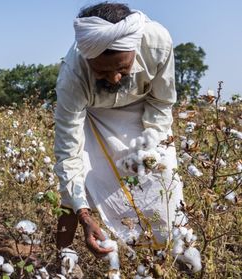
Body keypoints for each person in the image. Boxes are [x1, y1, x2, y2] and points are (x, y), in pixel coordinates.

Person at [54, 3, 185, 257]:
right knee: (72, 189)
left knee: (165, 175)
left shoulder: (158, 43)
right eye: (102, 70)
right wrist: (84, 214)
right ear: (88, 58)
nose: (114, 78)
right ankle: (64, 256)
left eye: (123, 68)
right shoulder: (73, 75)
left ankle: (171, 250)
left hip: (143, 108)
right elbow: (67, 154)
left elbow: (162, 102)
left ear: (135, 49)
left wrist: (150, 146)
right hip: (92, 115)